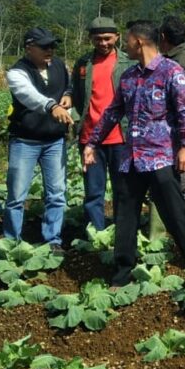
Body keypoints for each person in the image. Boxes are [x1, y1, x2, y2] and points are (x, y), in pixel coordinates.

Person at [83, 20, 185, 286]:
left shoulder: (172, 72)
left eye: (126, 40)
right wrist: (92, 143)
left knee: (174, 212)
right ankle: (123, 272)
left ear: (138, 42)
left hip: (160, 157)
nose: (125, 45)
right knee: (126, 215)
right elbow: (113, 112)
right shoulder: (129, 77)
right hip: (131, 159)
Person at [3, 28, 73, 252]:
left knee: (56, 193)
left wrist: (69, 95)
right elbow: (27, 95)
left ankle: (53, 238)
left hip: (54, 141)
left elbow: (68, 85)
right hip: (25, 141)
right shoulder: (17, 72)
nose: (50, 50)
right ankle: (12, 239)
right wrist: (51, 106)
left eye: (52, 46)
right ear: (29, 48)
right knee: (16, 195)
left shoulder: (59, 65)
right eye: (44, 46)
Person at [72, 16, 135, 232]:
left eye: (108, 38)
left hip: (121, 136)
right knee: (93, 191)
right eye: (98, 39)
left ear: (117, 37)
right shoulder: (83, 64)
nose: (103, 43)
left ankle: (122, 232)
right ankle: (96, 232)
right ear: (90, 39)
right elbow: (76, 95)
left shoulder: (129, 62)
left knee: (123, 189)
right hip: (90, 138)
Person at [148, 15, 185, 236]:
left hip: (181, 138)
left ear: (162, 36)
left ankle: (184, 234)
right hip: (168, 137)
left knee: (180, 187)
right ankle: (162, 234)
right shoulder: (173, 59)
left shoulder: (182, 61)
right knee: (163, 186)